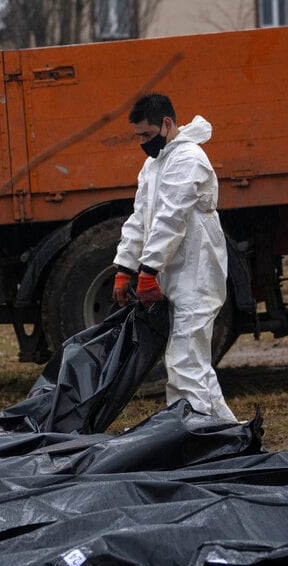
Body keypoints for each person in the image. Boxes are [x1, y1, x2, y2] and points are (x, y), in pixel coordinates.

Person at [111, 93, 237, 422]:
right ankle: (225, 431)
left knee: (184, 360)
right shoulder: (155, 164)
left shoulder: (188, 159)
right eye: (138, 136)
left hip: (197, 271)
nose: (142, 143)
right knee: (193, 358)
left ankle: (191, 435)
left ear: (167, 124)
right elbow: (141, 218)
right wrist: (125, 267)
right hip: (177, 272)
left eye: (147, 135)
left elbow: (171, 218)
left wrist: (148, 270)